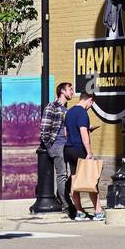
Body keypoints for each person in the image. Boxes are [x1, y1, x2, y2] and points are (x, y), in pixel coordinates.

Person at [64, 89, 103, 221]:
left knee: (74, 181)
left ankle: (79, 212)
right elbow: (83, 133)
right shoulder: (82, 114)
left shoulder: (69, 112)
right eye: (92, 103)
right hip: (79, 149)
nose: (91, 106)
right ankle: (98, 211)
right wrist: (89, 152)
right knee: (92, 180)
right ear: (89, 99)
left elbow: (66, 132)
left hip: (68, 149)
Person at [39, 81, 74, 213]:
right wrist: (50, 145)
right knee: (62, 174)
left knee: (74, 172)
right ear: (62, 92)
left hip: (67, 145)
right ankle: (66, 205)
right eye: (70, 89)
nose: (72, 92)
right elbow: (44, 129)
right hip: (57, 145)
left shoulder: (67, 109)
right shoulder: (52, 107)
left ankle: (62, 197)